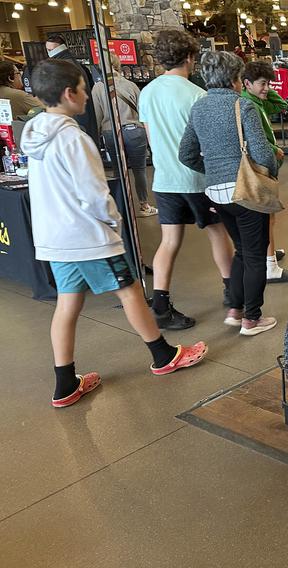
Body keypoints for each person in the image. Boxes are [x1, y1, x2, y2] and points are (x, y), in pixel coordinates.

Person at [21, 59, 208, 408]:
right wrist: (113, 223)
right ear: (68, 93)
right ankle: (163, 355)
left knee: (67, 304)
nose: (88, 98)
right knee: (131, 292)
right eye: (83, 89)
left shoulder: (35, 137)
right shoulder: (74, 139)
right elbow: (93, 193)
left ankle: (65, 384)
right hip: (89, 238)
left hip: (55, 240)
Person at [139, 29, 234, 331]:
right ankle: (233, 294)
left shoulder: (148, 92)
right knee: (218, 232)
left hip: (164, 178)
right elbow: (206, 143)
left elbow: (150, 138)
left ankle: (161, 305)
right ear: (191, 57)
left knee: (169, 241)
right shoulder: (197, 95)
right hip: (196, 179)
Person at [179, 51, 279, 337]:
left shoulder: (198, 108)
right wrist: (271, 168)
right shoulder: (242, 106)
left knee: (242, 252)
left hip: (216, 193)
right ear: (236, 79)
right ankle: (252, 318)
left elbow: (185, 154)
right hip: (246, 191)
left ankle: (235, 310)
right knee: (256, 256)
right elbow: (262, 154)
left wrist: (211, 169)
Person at [240, 60, 288, 284]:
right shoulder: (250, 105)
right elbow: (255, 139)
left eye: (269, 83)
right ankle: (270, 266)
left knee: (266, 217)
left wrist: (265, 90)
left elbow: (281, 104)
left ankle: (268, 256)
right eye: (262, 83)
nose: (267, 88)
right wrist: (275, 151)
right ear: (246, 83)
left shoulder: (256, 101)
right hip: (260, 167)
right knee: (267, 216)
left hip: (263, 165)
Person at [91, 51, 156, 217]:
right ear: (118, 65)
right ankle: (144, 205)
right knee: (139, 169)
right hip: (134, 131)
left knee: (118, 170)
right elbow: (143, 112)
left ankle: (123, 206)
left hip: (111, 132)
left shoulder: (98, 88)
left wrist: (97, 137)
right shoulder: (131, 85)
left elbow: (97, 116)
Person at [45, 34, 100, 144]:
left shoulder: (61, 68)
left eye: (51, 50)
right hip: (84, 119)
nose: (49, 53)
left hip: (76, 120)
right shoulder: (73, 64)